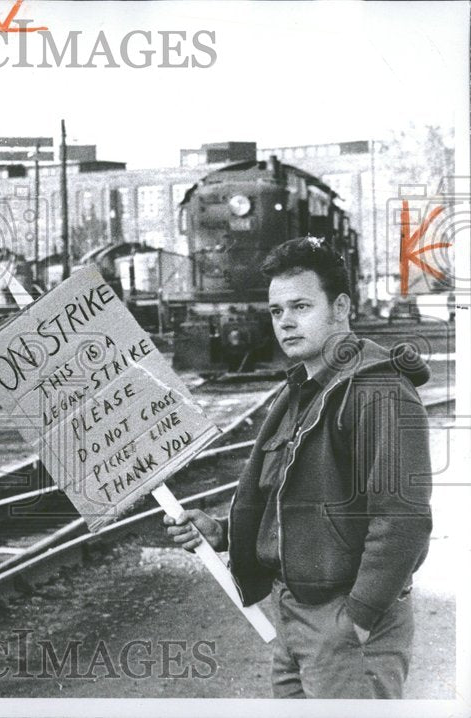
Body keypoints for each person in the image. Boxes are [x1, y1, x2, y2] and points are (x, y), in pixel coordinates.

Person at [163, 236, 433, 699]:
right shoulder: (301, 389)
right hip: (291, 616)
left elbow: (403, 518)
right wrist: (224, 532)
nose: (286, 322)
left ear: (341, 307)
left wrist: (359, 619)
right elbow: (302, 501)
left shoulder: (378, 390)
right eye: (276, 311)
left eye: (301, 306)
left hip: (344, 624)